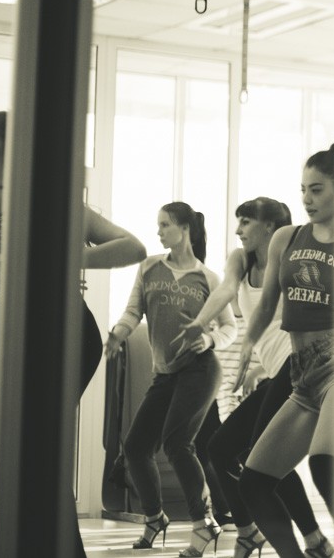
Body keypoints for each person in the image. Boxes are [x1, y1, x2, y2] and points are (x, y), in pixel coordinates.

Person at [0, 110, 147, 557]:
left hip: (60, 335)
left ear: (14, 148)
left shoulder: (49, 201)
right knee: (9, 458)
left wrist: (70, 256)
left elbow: (133, 246)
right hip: (4, 339)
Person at [178, 197, 334, 558]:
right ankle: (259, 533)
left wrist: (262, 368)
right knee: (222, 449)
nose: (238, 230)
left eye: (246, 222)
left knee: (259, 459)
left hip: (298, 369)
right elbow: (226, 290)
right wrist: (201, 321)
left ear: (270, 227)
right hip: (277, 374)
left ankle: (308, 541)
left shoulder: (290, 256)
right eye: (239, 221)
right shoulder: (241, 260)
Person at [105, 202, 236, 556]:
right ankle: (154, 518)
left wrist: (209, 340)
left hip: (200, 369)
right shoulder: (149, 268)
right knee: (136, 448)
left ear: (184, 229)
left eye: (165, 225)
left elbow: (229, 327)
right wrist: (117, 334)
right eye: (158, 225)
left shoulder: (208, 278)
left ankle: (204, 522)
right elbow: (133, 311)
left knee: (178, 444)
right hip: (165, 373)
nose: (159, 231)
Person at [234, 143, 334, 558]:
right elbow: (266, 305)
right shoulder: (287, 238)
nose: (307, 199)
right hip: (303, 374)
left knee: (324, 465)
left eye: (317, 190)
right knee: (254, 482)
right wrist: (247, 344)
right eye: (303, 190)